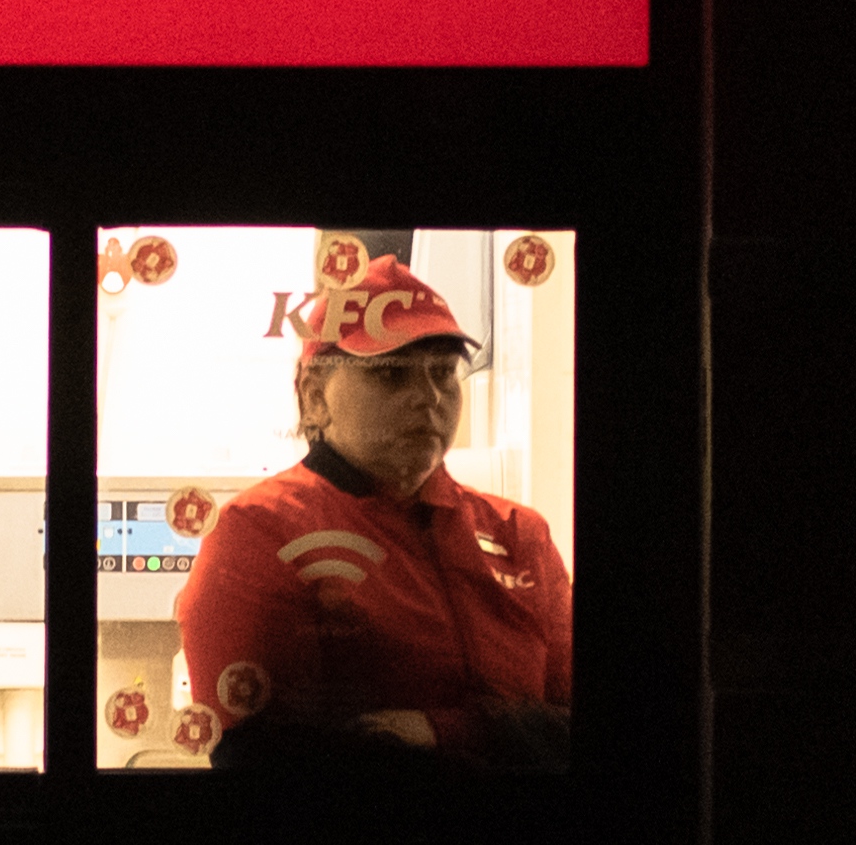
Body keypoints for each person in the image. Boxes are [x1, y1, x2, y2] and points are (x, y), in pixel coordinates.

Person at [174, 242, 571, 776]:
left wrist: (439, 730)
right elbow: (264, 759)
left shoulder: (520, 533)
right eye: (392, 374)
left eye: (442, 373)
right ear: (315, 397)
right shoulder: (259, 532)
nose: (429, 397)